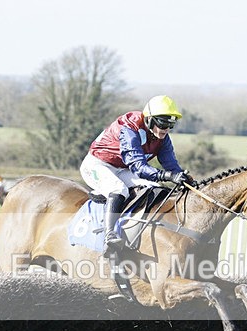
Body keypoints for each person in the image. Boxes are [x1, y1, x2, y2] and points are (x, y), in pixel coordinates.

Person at [80, 94, 194, 253]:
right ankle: (109, 234)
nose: (166, 129)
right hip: (97, 165)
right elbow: (138, 167)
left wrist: (183, 178)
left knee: (152, 187)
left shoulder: (162, 137)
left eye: (170, 124)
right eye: (163, 123)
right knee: (118, 189)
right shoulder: (130, 128)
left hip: (122, 168)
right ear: (149, 119)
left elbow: (171, 165)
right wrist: (168, 176)